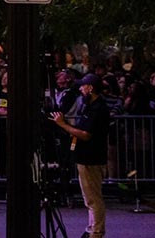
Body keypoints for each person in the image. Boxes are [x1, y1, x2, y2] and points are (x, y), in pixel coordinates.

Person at [51, 73, 111, 238]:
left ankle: (97, 231)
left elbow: (86, 134)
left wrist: (62, 124)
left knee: (93, 198)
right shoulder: (90, 107)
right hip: (85, 156)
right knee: (89, 198)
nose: (80, 89)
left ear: (90, 88)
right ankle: (92, 227)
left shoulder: (98, 109)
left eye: (83, 86)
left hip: (92, 158)